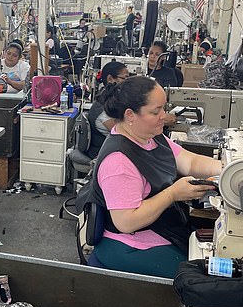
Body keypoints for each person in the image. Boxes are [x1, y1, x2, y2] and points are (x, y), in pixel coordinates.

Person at [84, 76, 222, 277]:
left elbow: (190, 162)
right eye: (156, 111)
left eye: (164, 109)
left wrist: (229, 168)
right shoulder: (119, 161)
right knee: (201, 280)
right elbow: (126, 221)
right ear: (130, 115)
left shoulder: (151, 137)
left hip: (161, 229)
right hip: (131, 245)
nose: (164, 116)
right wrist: (173, 194)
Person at [87, 61, 129, 159]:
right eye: (124, 78)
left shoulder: (111, 100)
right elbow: (124, 133)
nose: (127, 82)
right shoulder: (102, 108)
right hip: (102, 155)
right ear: (110, 79)